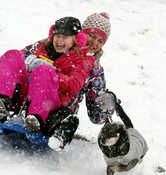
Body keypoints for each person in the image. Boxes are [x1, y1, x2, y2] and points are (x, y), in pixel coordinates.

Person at [46, 12, 116, 150]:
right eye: (92, 35)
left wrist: (106, 105)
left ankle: (60, 133)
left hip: (61, 112)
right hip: (37, 97)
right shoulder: (59, 44)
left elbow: (96, 115)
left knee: (65, 116)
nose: (94, 43)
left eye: (100, 41)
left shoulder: (95, 71)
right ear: (82, 33)